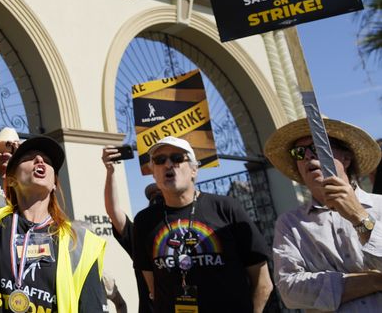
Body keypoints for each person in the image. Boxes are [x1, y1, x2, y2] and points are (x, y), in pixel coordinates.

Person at [0, 40, 107, 312]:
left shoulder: (80, 243)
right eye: (29, 158)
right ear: (12, 177)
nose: (40, 160)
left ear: (54, 183)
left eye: (48, 161)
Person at [132, 136, 273, 312]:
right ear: (154, 173)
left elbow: (263, 283)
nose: (168, 165)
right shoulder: (145, 221)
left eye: (177, 158)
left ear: (194, 170)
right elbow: (153, 288)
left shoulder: (227, 208)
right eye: (160, 160)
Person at [265, 118, 382, 312]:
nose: (308, 156)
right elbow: (290, 291)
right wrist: (374, 281)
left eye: (318, 146)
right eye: (299, 152)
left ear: (346, 158)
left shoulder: (379, 206)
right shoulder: (290, 224)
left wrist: (358, 216)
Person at [102, 146, 158, 313]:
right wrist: (110, 171)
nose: (156, 202)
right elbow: (114, 212)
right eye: (153, 198)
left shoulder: (193, 232)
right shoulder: (142, 236)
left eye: (162, 197)